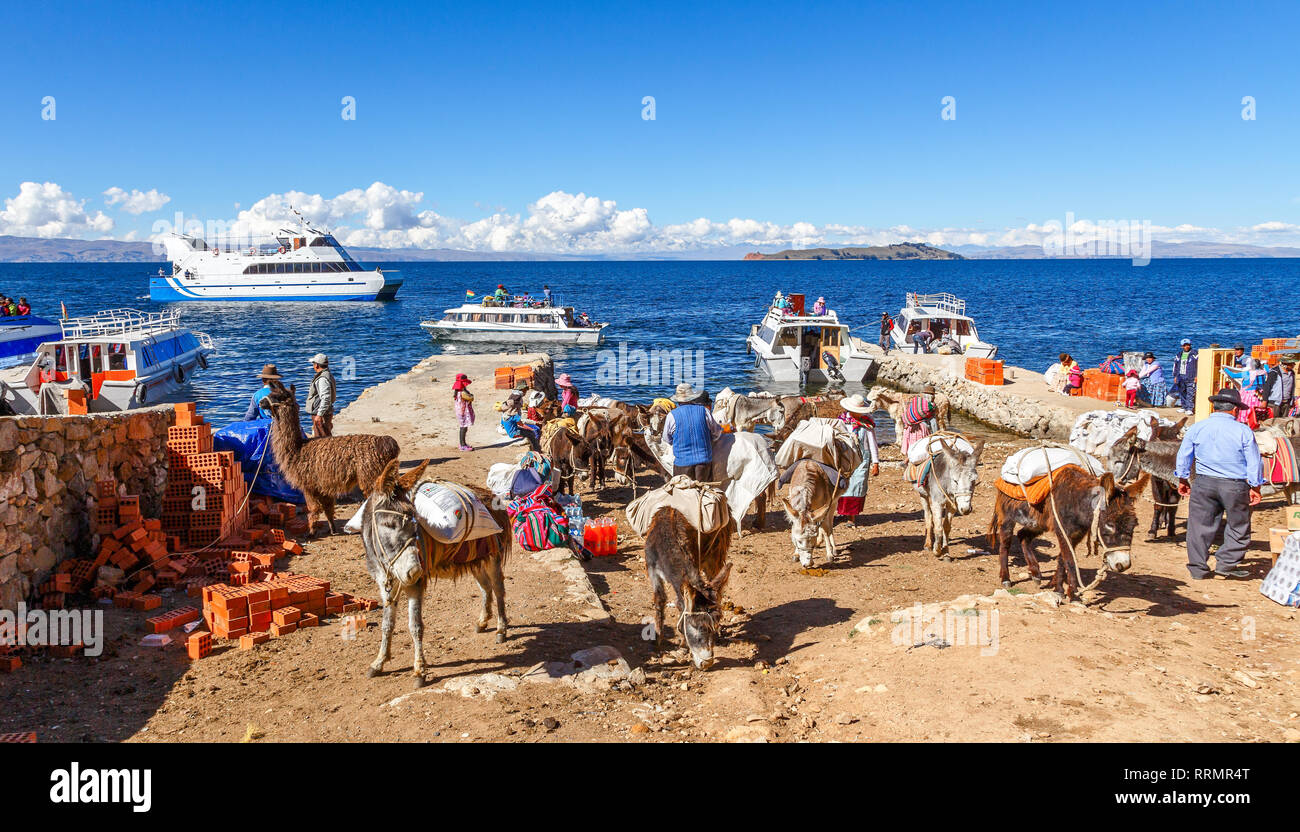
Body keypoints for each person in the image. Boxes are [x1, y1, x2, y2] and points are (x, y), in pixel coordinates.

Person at [1175, 387, 1263, 580]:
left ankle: (1197, 568)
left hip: (1204, 482)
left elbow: (1184, 455)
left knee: (1198, 526)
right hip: (1235, 485)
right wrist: (1255, 486)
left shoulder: (1198, 427)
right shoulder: (1243, 431)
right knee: (1238, 525)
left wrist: (1182, 479)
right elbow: (1254, 461)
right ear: (1235, 410)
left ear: (1214, 407)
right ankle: (1227, 564)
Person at [835, 394, 880, 525]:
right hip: (845, 458)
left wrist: (875, 462)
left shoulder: (867, 424)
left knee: (857, 485)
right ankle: (842, 512)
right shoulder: (841, 422)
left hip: (862, 459)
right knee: (843, 484)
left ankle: (851, 517)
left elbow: (872, 443)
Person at [662, 383, 722, 481]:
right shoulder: (704, 411)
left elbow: (667, 439)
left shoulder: (672, 415)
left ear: (678, 400)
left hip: (682, 464)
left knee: (683, 494)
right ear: (692, 398)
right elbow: (717, 432)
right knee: (704, 491)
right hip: (704, 463)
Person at [304, 353, 336, 437]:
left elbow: (326, 398)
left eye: (313, 364)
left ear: (317, 365)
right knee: (325, 436)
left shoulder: (322, 379)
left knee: (321, 439)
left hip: (321, 414)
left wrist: (319, 414)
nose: (313, 366)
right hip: (324, 412)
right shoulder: (327, 375)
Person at [1170, 338, 1198, 414]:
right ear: (1182, 346)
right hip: (1180, 376)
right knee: (1182, 392)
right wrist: (1175, 376)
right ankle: (1183, 406)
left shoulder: (1195, 354)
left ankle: (1189, 408)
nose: (1186, 347)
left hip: (1191, 376)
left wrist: (1196, 375)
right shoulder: (1179, 355)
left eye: (1188, 345)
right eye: (1184, 345)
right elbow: (1175, 366)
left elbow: (1198, 365)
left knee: (1190, 392)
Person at [452, 373, 476, 451]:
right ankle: (462, 445)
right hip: (463, 412)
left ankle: (463, 444)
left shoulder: (458, 392)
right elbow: (471, 398)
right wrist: (471, 395)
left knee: (464, 427)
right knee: (463, 428)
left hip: (461, 411)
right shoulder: (462, 393)